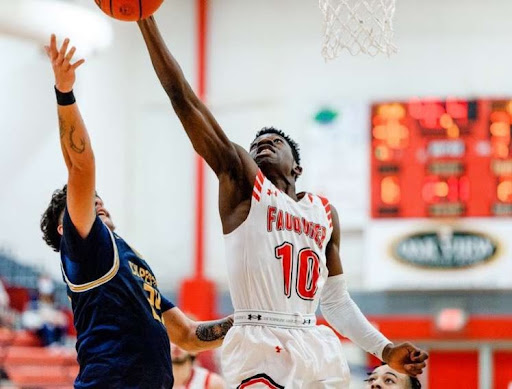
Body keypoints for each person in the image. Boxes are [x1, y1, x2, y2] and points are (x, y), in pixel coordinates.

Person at [137, 17, 428, 387]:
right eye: (258, 142)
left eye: (277, 141)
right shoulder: (243, 183)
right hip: (259, 338)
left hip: (313, 341)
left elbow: (336, 304)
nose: (263, 143)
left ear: (298, 166)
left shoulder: (324, 213)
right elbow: (182, 97)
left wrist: (385, 350)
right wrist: (145, 18)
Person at [40, 35, 233, 389]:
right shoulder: (86, 249)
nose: (96, 200)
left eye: (97, 197)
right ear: (65, 227)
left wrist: (253, 319)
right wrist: (64, 93)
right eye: (86, 201)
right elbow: (81, 167)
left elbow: (189, 336)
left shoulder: (130, 261)